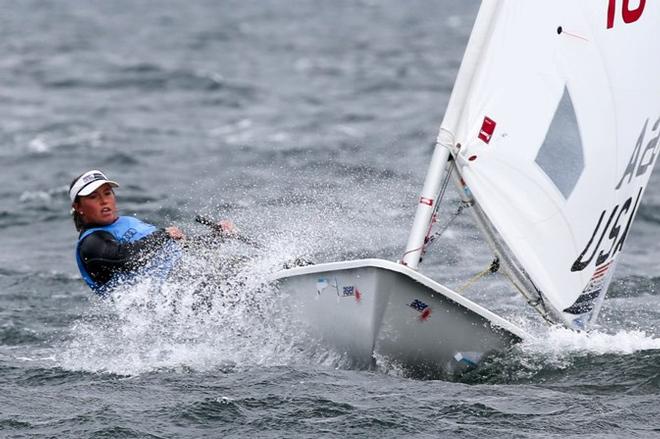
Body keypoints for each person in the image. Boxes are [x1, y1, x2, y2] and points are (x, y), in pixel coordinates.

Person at [69, 169, 233, 295]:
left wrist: (217, 237)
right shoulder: (91, 243)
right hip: (169, 299)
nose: (104, 200)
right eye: (93, 197)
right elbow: (123, 258)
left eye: (107, 193)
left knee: (248, 271)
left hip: (191, 280)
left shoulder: (128, 222)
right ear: (78, 207)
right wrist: (162, 236)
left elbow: (184, 248)